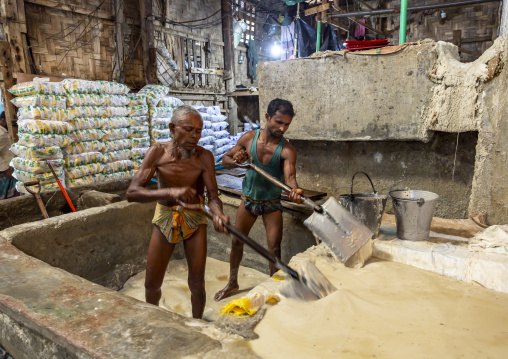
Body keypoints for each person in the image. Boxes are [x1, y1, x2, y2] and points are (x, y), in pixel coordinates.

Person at [126, 105, 229, 319]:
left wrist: (218, 213)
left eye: (198, 131)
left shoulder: (204, 157)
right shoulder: (157, 152)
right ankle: (154, 319)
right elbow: (132, 192)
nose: (194, 136)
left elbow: (214, 197)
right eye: (188, 129)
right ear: (173, 128)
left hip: (195, 216)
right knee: (151, 282)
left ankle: (197, 324)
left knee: (197, 283)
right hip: (165, 215)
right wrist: (172, 191)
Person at [214, 98, 303, 301]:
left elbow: (290, 180)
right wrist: (236, 159)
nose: (283, 128)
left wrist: (295, 191)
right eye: (278, 122)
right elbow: (225, 160)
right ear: (267, 117)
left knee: (274, 249)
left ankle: (274, 289)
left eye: (287, 124)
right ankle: (232, 282)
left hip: (271, 204)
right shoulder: (248, 138)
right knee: (237, 241)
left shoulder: (287, 150)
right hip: (248, 201)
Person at [0, 111, 19, 200]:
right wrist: (6, 169)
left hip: (10, 167)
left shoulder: (5, 132)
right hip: (4, 171)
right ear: (3, 120)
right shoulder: (1, 133)